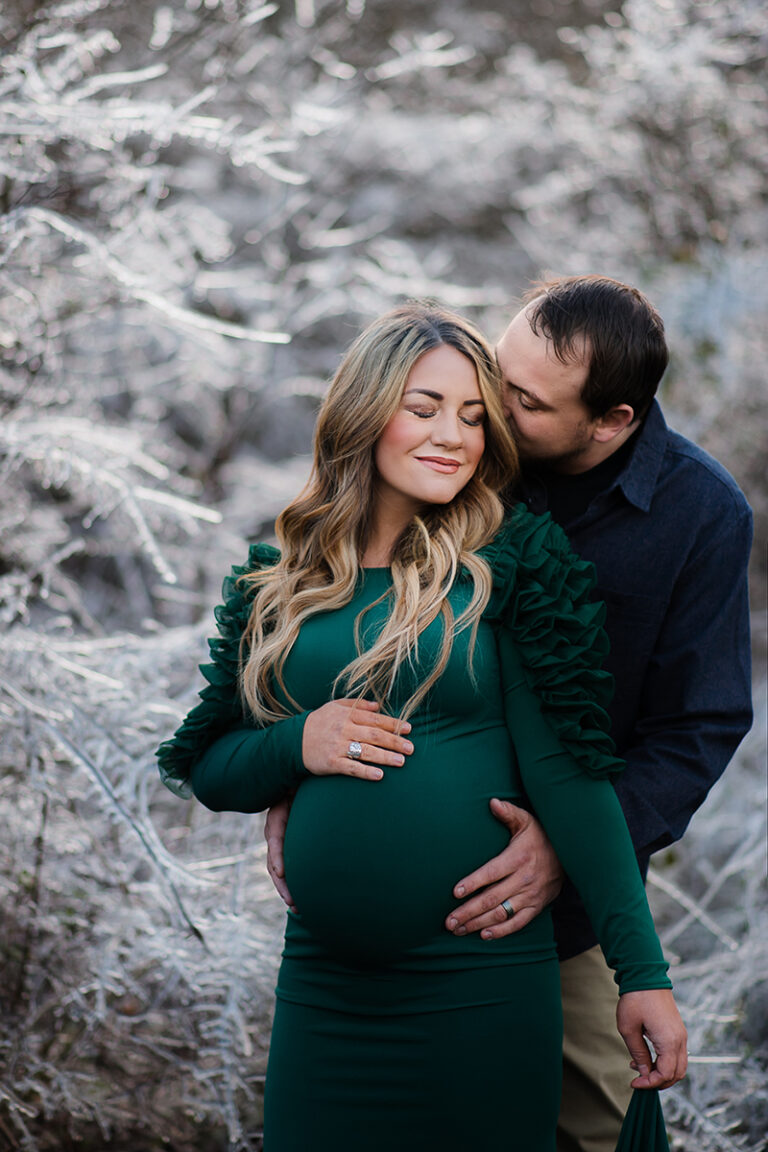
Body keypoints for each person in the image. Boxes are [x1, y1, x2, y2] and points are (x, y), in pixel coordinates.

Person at [157, 301, 687, 1152]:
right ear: (366, 412)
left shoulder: (508, 569)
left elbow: (574, 779)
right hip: (324, 993)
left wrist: (643, 975)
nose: (454, 435)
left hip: (476, 986)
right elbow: (208, 765)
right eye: (426, 406)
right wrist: (299, 745)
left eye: (477, 416)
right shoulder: (280, 585)